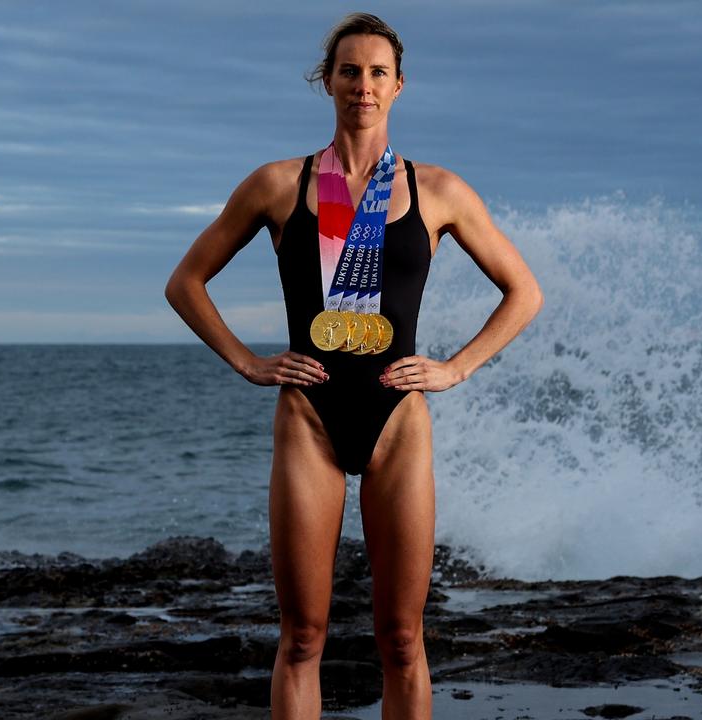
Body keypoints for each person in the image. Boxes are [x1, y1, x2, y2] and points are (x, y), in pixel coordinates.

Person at [164, 12, 542, 720]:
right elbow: (185, 282)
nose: (361, 85)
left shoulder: (439, 191)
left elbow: (525, 293)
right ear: (327, 81)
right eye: (348, 71)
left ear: (399, 85)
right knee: (302, 638)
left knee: (402, 640)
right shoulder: (277, 184)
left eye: (376, 73)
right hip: (308, 422)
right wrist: (248, 362)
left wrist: (457, 368)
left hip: (400, 423)